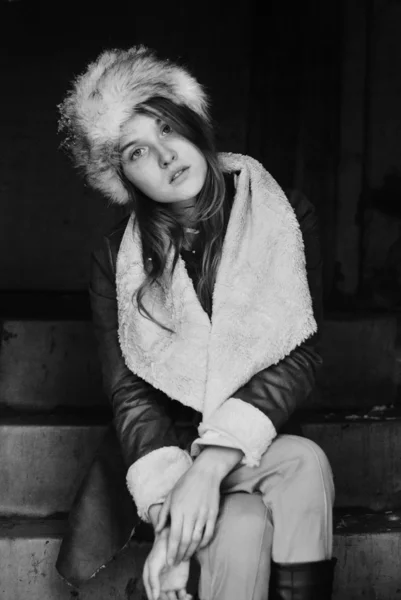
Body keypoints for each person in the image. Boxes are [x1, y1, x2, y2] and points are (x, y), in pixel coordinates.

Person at [56, 45, 336, 600]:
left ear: (192, 123)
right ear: (123, 176)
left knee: (301, 463)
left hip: (250, 442)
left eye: (167, 127)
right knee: (247, 521)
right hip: (165, 456)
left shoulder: (282, 214)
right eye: (137, 150)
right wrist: (169, 517)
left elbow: (301, 351)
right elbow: (129, 393)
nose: (165, 156)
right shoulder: (115, 258)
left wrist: (209, 472)